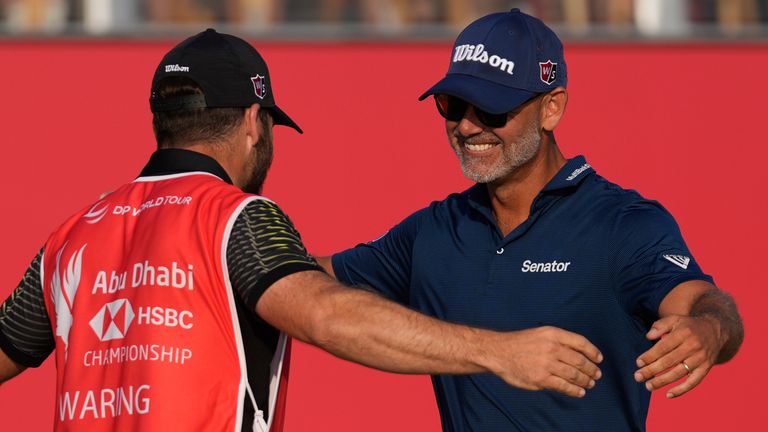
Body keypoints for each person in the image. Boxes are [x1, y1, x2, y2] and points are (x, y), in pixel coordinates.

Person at [0, 29, 608, 432]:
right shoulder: (236, 218)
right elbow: (325, 315)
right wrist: (498, 351)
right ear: (250, 123)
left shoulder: (72, 237)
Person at [320, 9, 744, 432]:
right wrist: (253, 229)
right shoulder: (434, 230)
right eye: (452, 105)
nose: (467, 126)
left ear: (551, 109)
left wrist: (708, 329)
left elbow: (706, 304)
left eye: (490, 109)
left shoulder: (623, 223)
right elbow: (310, 284)